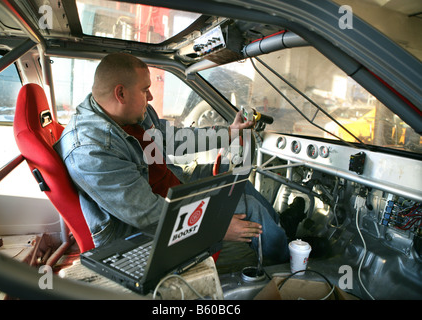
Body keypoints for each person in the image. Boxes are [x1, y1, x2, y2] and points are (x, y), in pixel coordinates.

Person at [54, 52, 289, 264]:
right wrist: (215, 226)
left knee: (238, 181)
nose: (151, 97)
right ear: (121, 93)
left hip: (170, 186)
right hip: (136, 233)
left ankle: (283, 232)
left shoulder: (133, 113)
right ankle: (288, 265)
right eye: (145, 90)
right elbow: (147, 215)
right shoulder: (90, 149)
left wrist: (229, 133)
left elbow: (175, 139)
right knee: (249, 207)